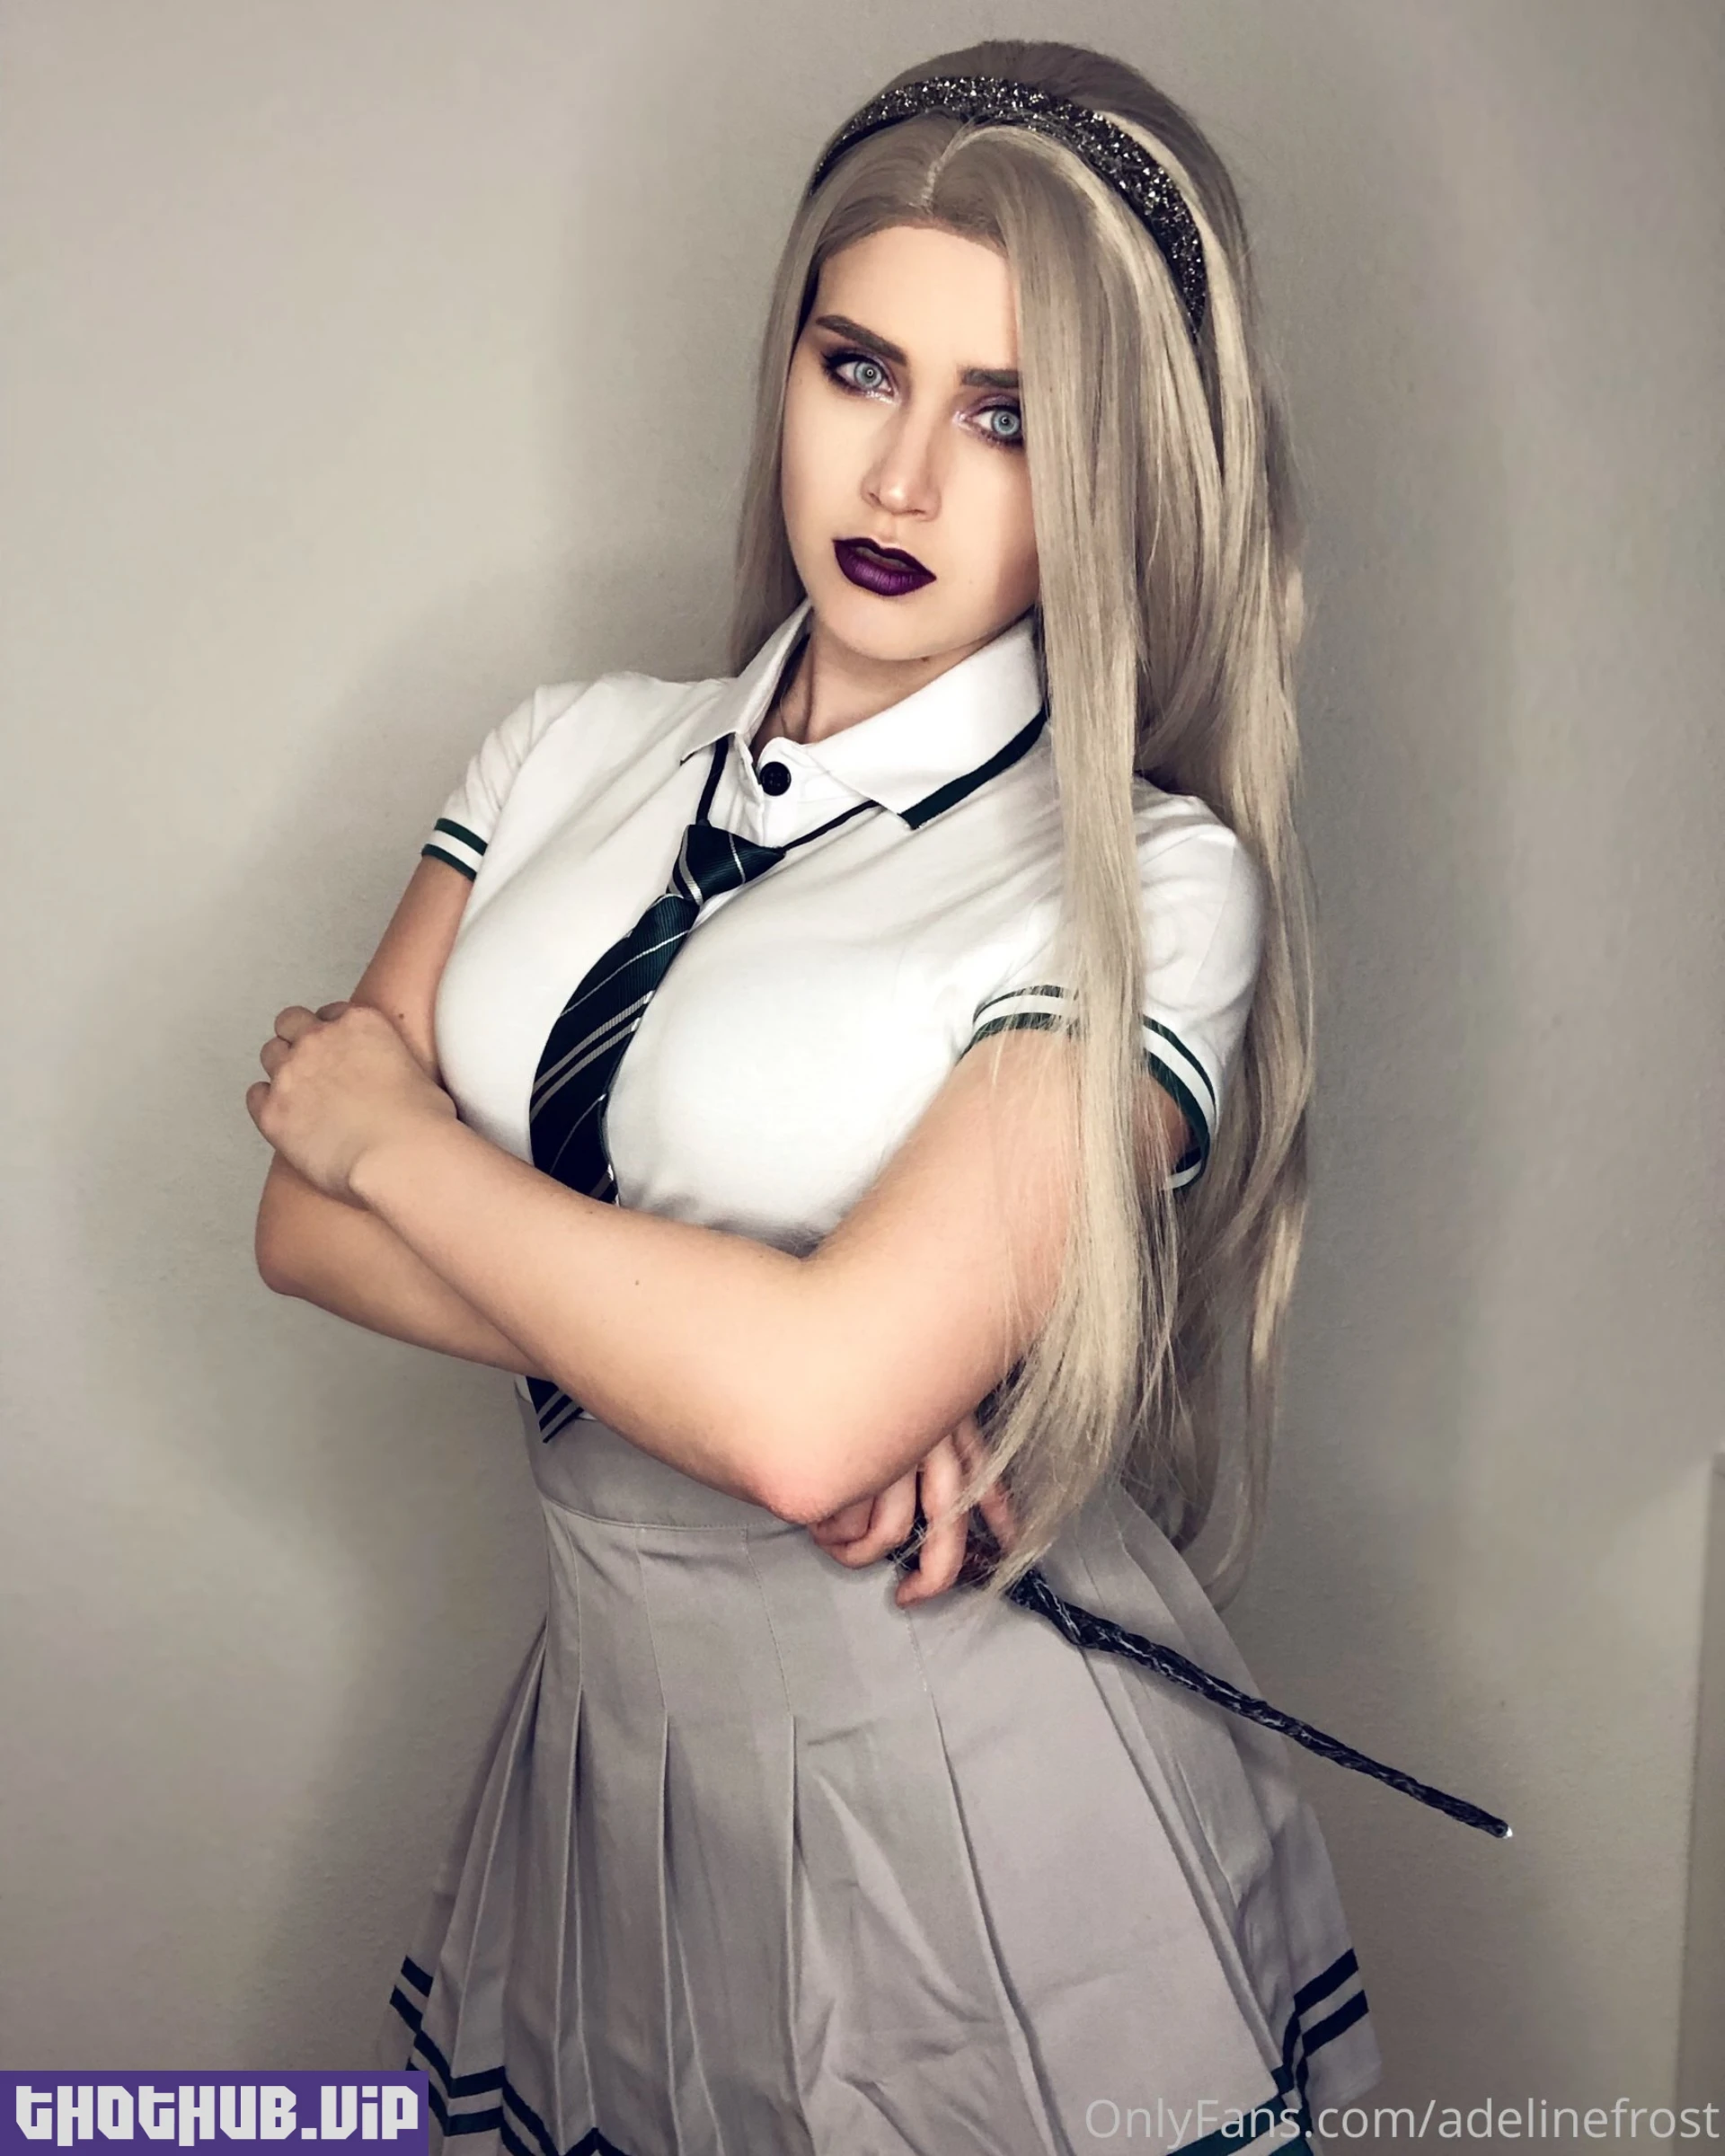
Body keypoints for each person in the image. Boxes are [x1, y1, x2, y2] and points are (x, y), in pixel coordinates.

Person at [249, 37, 1385, 2156]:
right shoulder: (565, 750)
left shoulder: (1144, 882)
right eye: (860, 371)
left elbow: (773, 1408)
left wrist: (395, 1136)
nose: (904, 482)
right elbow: (298, 1233)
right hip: (606, 1753)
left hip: (965, 1788)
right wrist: (775, 1359)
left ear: (1119, 469)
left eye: (1011, 417)